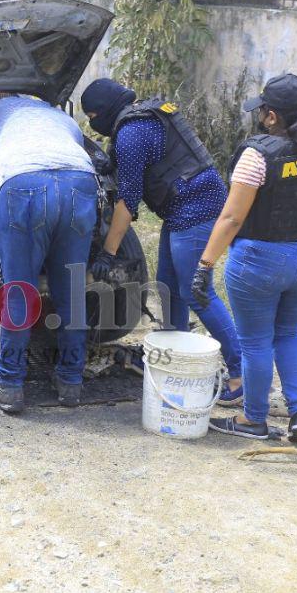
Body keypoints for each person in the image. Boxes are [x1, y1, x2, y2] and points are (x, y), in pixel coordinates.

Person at [192, 74, 297, 442]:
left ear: (272, 116)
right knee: (288, 334)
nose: (260, 117)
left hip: (258, 262)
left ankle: (254, 420)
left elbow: (232, 219)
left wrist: (205, 265)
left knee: (255, 342)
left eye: (262, 110)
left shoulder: (258, 155)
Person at [80, 78, 243, 402]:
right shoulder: (140, 117)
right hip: (183, 207)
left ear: (104, 110)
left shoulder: (131, 133)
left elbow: (127, 203)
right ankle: (174, 359)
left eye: (93, 117)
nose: (93, 123)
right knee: (169, 287)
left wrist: (108, 253)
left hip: (196, 210)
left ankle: (242, 375)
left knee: (196, 291)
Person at [0, 95, 97, 413]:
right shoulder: (64, 119)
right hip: (80, 184)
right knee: (72, 292)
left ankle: (9, 386)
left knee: (19, 293)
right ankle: (71, 382)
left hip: (25, 185)